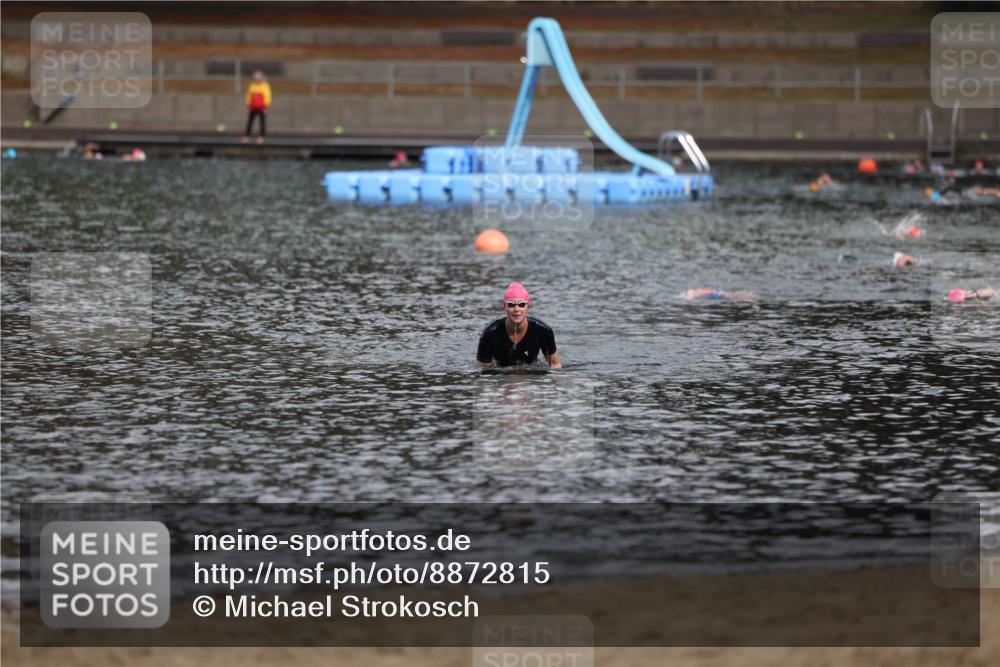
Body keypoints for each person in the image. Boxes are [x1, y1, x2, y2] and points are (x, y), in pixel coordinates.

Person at [476, 282, 561, 368]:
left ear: (528, 307)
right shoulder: (490, 333)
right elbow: (482, 369)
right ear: (504, 307)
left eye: (522, 304)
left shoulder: (543, 331)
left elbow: (555, 365)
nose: (516, 309)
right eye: (511, 304)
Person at [242, 70, 272, 145]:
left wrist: (266, 107)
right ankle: (247, 136)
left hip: (262, 107)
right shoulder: (252, 86)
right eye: (256, 77)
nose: (257, 78)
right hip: (253, 107)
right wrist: (248, 106)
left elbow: (267, 97)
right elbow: (249, 96)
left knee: (262, 122)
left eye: (258, 77)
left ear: (261, 77)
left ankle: (261, 137)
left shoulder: (265, 86)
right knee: (250, 122)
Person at [682, 288, 758, 302]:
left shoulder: (695, 292)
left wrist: (690, 299)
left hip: (722, 295)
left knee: (736, 297)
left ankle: (749, 298)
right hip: (722, 294)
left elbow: (690, 296)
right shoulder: (699, 291)